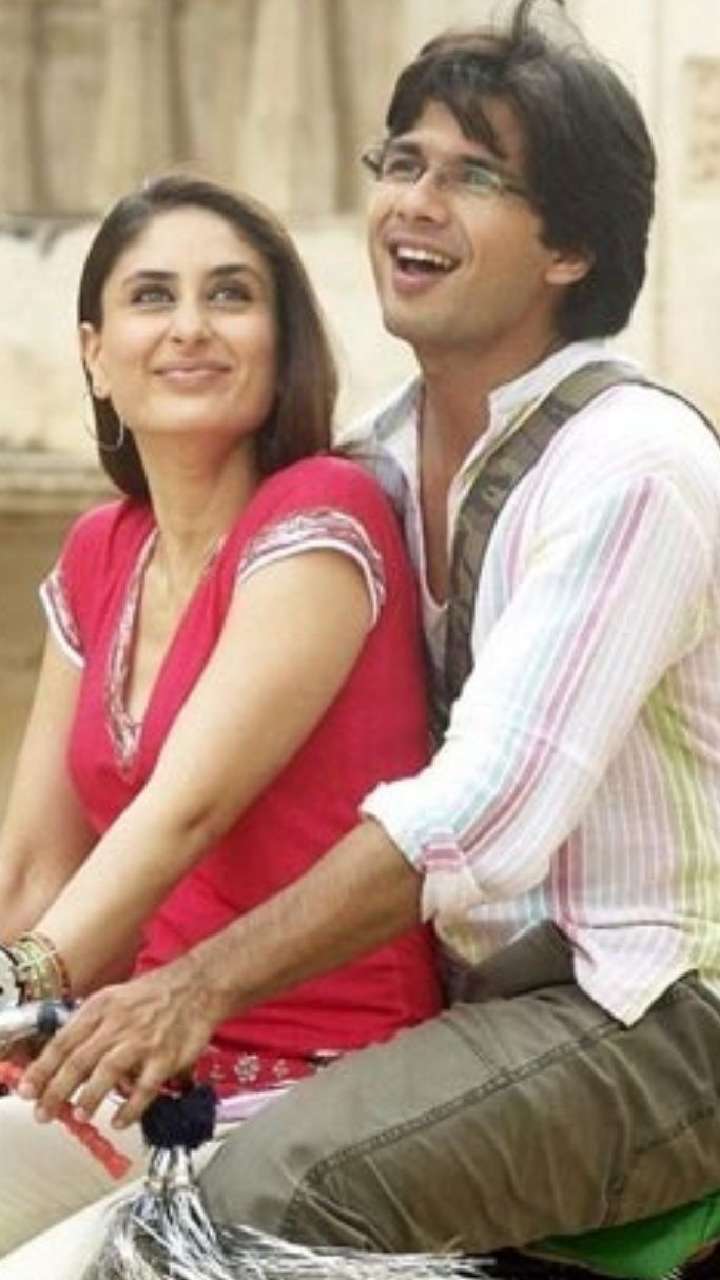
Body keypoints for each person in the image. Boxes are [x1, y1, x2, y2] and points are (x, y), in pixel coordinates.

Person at [5, 0, 720, 1275]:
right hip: (484, 1005)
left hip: (654, 1009)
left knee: (248, 1204)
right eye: (401, 162)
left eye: (475, 175)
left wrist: (195, 983)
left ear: (570, 246)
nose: (413, 204)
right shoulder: (380, 461)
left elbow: (479, 813)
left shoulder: (632, 464)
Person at [0, 173, 442, 1256]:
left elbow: (183, 813)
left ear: (280, 347)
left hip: (313, 1091)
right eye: (152, 296)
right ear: (96, 353)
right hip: (130, 1074)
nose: (191, 325)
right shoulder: (100, 551)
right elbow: (32, 874)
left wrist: (17, 982)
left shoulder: (321, 513)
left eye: (231, 295)